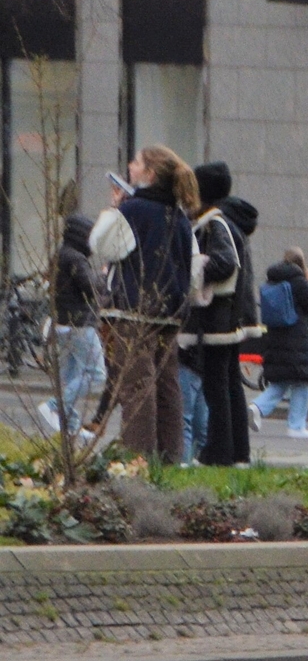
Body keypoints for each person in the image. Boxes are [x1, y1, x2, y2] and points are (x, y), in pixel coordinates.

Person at [86, 146, 198, 465]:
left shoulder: (134, 209)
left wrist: (115, 208)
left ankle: (137, 457)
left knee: (137, 384)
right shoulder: (179, 217)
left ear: (148, 174)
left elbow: (101, 245)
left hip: (134, 310)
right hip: (170, 312)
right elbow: (190, 268)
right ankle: (170, 456)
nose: (130, 167)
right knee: (166, 385)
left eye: (135, 163)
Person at [184, 161, 262, 466]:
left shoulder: (216, 223)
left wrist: (196, 267)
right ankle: (238, 451)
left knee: (217, 386)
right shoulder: (232, 222)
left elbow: (224, 263)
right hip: (233, 316)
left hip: (218, 317)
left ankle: (219, 452)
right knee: (229, 384)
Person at [41, 213, 104, 440]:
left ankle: (69, 423)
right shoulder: (76, 259)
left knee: (71, 376)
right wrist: (104, 278)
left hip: (63, 324)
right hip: (80, 324)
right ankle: (54, 406)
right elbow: (90, 288)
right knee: (96, 374)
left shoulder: (60, 255)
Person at [252, 252, 308, 438]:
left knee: (281, 380)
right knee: (302, 381)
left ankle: (257, 407)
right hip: (296, 338)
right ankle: (296, 426)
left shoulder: (272, 280)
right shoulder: (298, 281)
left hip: (276, 337)